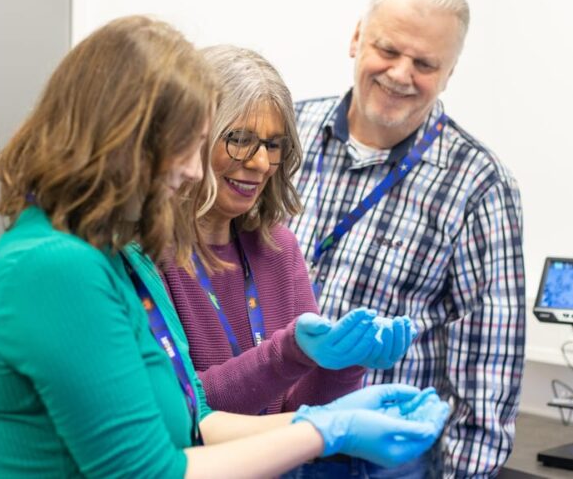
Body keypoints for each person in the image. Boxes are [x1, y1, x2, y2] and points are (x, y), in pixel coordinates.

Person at [0, 15, 450, 478]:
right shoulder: (57, 267)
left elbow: (197, 418)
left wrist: (334, 414)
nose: (194, 171)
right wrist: (325, 431)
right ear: (126, 138)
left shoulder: (112, 257)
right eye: (189, 145)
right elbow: (151, 470)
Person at [288, 0, 526, 477]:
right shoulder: (285, 137)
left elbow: (490, 369)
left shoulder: (478, 185)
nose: (400, 74)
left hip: (373, 464)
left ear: (449, 73)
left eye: (424, 64)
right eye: (388, 49)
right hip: (261, 437)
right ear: (356, 38)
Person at [160, 44, 416, 417]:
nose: (262, 162)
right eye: (240, 140)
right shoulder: (147, 255)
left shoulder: (278, 248)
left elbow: (294, 411)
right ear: (194, 138)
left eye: (273, 144)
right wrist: (286, 354)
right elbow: (182, 412)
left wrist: (345, 363)